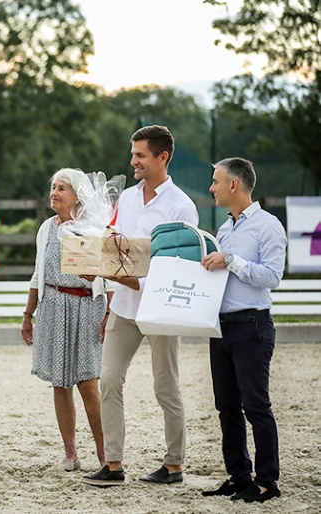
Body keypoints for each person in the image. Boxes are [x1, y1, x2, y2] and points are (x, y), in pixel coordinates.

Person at [82, 125, 198, 487]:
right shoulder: (128, 199)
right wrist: (102, 278)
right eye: (133, 154)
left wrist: (132, 280)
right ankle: (113, 464)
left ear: (162, 157)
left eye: (140, 155)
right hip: (124, 306)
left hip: (162, 307)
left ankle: (174, 465)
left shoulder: (181, 205)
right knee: (110, 380)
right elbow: (113, 246)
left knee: (166, 387)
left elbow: (184, 264)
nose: (133, 161)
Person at [200, 157, 286, 503]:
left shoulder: (268, 226)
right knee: (227, 407)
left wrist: (231, 261)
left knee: (256, 406)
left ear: (234, 185)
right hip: (221, 326)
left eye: (216, 181)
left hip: (252, 325)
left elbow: (272, 276)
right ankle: (238, 475)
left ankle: (267, 481)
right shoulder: (224, 229)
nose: (212, 187)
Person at [20, 168, 108, 472]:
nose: (54, 193)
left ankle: (103, 453)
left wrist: (107, 313)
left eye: (62, 188)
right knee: (60, 382)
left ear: (77, 195)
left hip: (86, 306)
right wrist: (27, 314)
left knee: (88, 383)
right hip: (53, 305)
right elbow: (37, 274)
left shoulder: (91, 228)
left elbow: (106, 276)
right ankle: (70, 452)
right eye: (53, 187)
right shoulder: (46, 228)